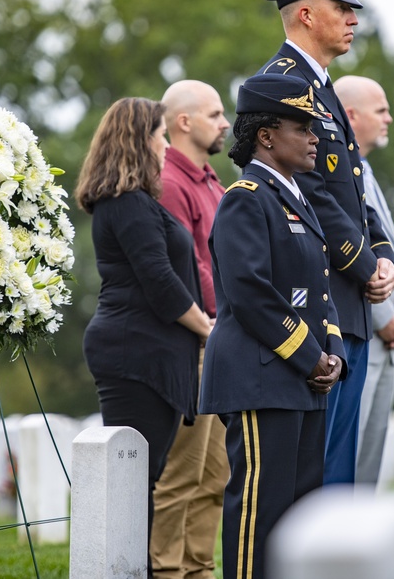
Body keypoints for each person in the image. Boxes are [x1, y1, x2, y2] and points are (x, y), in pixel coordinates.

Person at [258, 0, 394, 484]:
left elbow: (354, 188)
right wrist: (364, 267)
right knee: (316, 475)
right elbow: (310, 193)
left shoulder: (323, 89)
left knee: (338, 468)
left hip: (352, 300)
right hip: (321, 303)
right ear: (307, 16)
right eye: (341, 8)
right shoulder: (283, 84)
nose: (353, 19)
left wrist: (381, 257)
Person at [199, 73, 344, 579]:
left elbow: (319, 291)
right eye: (302, 127)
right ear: (266, 135)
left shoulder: (298, 198)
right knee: (261, 517)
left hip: (302, 379)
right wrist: (312, 356)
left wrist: (334, 354)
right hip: (262, 378)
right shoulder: (246, 197)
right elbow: (251, 294)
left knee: (299, 519)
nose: (314, 138)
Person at [75, 97, 213, 577]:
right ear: (139, 139)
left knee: (143, 476)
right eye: (158, 134)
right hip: (136, 353)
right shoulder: (127, 204)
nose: (163, 143)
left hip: (150, 350)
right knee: (136, 479)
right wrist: (207, 328)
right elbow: (158, 280)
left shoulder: (136, 201)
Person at [151, 80, 230, 579]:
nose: (226, 123)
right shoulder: (168, 182)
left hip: (224, 339)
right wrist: (222, 318)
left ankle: (199, 568)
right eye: (216, 114)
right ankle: (167, 570)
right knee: (182, 474)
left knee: (216, 474)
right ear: (184, 121)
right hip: (198, 339)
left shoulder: (210, 180)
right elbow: (192, 266)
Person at [336, 75, 394, 484]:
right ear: (351, 115)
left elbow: (387, 248)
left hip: (386, 328)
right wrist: (386, 317)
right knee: (348, 456)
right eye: (380, 110)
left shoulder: (364, 170)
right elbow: (349, 248)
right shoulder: (340, 174)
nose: (389, 118)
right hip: (365, 328)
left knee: (371, 454)